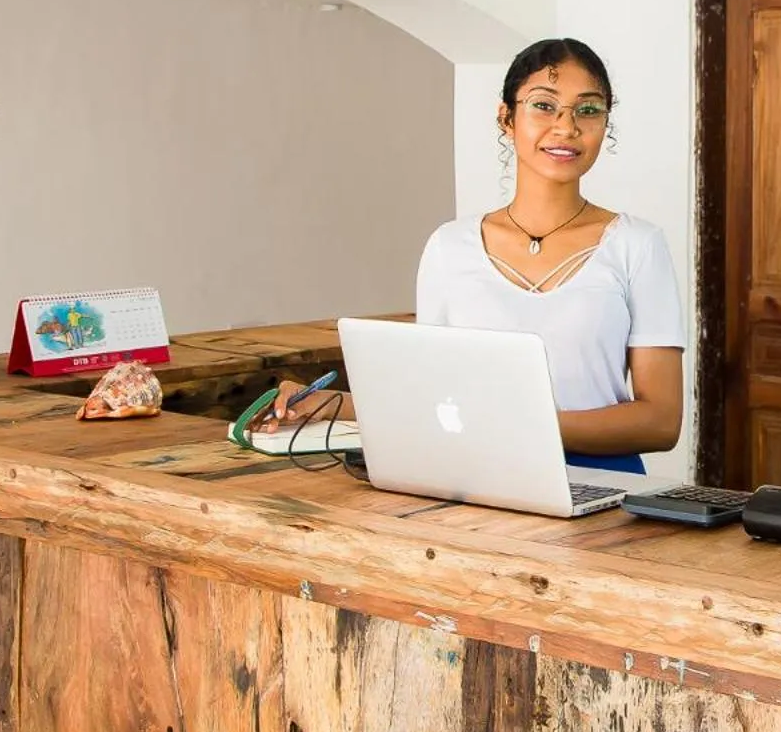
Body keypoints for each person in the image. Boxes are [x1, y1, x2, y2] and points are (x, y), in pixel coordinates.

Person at [270, 37, 685, 474]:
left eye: (588, 110)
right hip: (477, 479)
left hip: (601, 484)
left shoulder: (637, 245)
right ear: (506, 118)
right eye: (544, 106)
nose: (566, 127)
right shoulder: (449, 248)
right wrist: (328, 403)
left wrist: (519, 426)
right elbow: (435, 397)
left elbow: (660, 422)